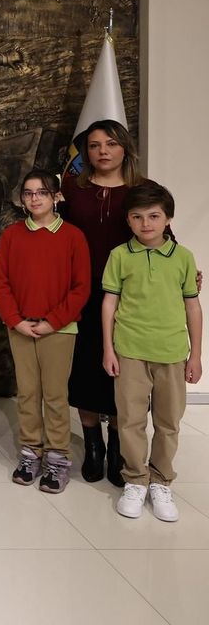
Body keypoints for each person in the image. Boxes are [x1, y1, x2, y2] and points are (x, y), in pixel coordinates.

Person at [102, 182, 202, 521]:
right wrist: (108, 348)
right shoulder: (119, 255)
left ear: (168, 218)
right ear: (128, 220)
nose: (146, 223)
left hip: (172, 352)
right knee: (129, 419)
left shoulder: (183, 258)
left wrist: (196, 355)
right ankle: (135, 479)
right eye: (137, 216)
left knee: (168, 421)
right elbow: (109, 303)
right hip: (129, 350)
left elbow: (192, 307)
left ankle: (161, 481)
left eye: (154, 216)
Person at [0, 170, 90, 494]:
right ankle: (30, 453)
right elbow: (2, 282)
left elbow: (81, 288)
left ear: (56, 196)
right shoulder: (12, 235)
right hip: (21, 326)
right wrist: (15, 320)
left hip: (59, 329)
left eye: (42, 192)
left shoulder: (73, 237)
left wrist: (53, 321)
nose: (35, 198)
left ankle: (57, 457)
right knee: (27, 393)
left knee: (55, 395)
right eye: (29, 193)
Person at [60, 120, 143, 486]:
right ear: (86, 153)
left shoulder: (141, 191)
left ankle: (118, 445)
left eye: (111, 143)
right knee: (85, 369)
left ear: (125, 148)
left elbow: (160, 235)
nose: (103, 151)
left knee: (123, 370)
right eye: (94, 145)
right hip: (83, 291)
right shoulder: (71, 190)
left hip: (128, 295)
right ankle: (93, 444)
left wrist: (186, 274)